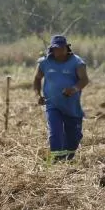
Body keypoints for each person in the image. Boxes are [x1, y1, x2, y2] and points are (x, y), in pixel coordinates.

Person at [34, 35, 89, 163]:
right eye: (55, 49)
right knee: (55, 131)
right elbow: (37, 79)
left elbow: (84, 80)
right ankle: (56, 159)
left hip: (71, 106)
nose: (57, 51)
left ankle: (68, 157)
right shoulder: (44, 62)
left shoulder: (77, 62)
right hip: (52, 104)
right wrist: (38, 95)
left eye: (60, 48)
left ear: (66, 48)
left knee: (73, 138)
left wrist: (74, 89)